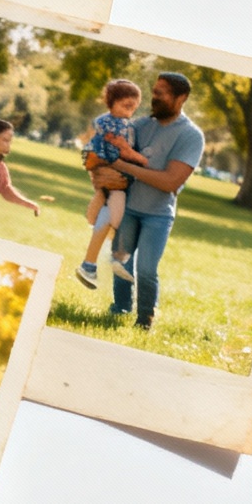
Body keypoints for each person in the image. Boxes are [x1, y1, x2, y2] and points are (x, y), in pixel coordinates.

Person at [92, 72, 205, 329]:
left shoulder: (190, 135)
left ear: (181, 98)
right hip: (129, 208)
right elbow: (107, 149)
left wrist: (123, 165)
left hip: (158, 213)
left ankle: (144, 321)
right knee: (121, 260)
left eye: (161, 93)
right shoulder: (141, 125)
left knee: (145, 269)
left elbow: (170, 182)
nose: (153, 98)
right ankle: (119, 309)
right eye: (154, 92)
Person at [76, 79, 151, 289]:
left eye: (133, 107)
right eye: (126, 106)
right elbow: (100, 151)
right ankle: (117, 258)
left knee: (104, 216)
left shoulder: (119, 124)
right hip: (114, 178)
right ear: (112, 102)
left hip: (116, 177)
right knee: (117, 218)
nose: (130, 112)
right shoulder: (109, 125)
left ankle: (89, 265)